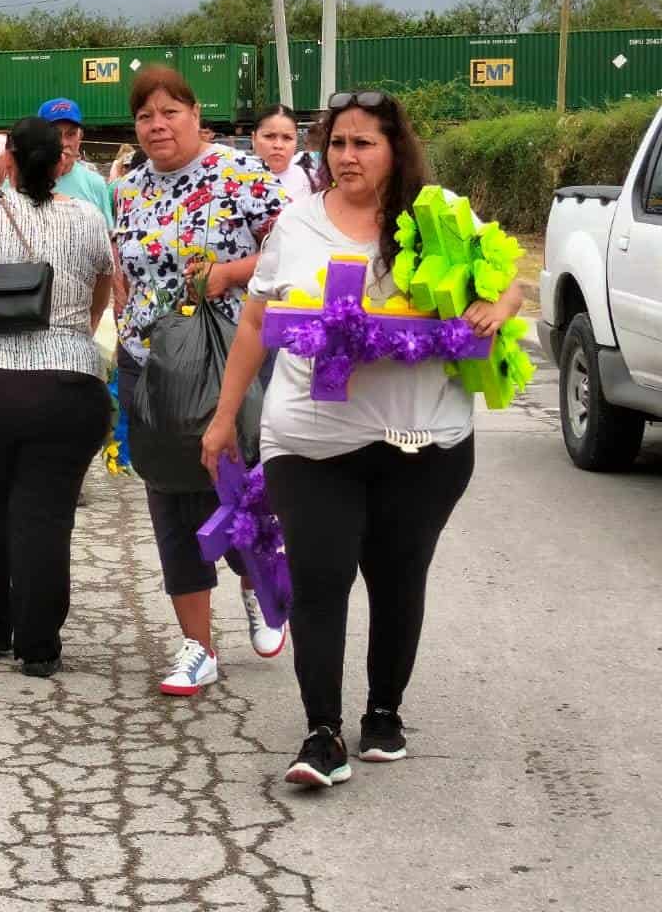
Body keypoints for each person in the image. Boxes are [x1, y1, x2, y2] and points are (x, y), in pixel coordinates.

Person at [202, 90, 520, 788]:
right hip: (311, 438)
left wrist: (494, 305)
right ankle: (321, 733)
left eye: (363, 143)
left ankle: (384, 711)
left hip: (424, 437)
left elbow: (510, 285)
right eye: (337, 143)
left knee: (399, 578)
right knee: (320, 580)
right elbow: (257, 323)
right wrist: (226, 418)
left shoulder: (439, 214)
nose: (347, 156)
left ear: (394, 148)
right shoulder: (297, 224)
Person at [115, 66, 287, 696]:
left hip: (227, 358)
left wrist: (228, 272)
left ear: (194, 113)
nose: (157, 126)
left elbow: (293, 250)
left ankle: (256, 585)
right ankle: (198, 646)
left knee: (236, 489)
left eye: (169, 112)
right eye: (144, 116)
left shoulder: (240, 174)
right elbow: (126, 269)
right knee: (168, 494)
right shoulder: (129, 189)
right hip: (150, 363)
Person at [0, 118, 115, 677]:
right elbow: (106, 282)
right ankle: (39, 646)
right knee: (46, 513)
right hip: (66, 387)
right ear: (63, 162)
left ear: (8, 159)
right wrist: (78, 328)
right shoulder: (87, 217)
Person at [37, 99, 115, 225]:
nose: (63, 143)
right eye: (55, 135)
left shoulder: (95, 184)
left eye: (71, 134)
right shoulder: (22, 184)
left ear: (80, 138)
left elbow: (108, 238)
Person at [252, 105, 315, 204]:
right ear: (254, 138)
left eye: (287, 138)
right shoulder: (233, 179)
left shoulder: (314, 181)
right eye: (269, 136)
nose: (278, 145)